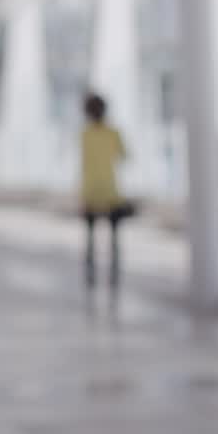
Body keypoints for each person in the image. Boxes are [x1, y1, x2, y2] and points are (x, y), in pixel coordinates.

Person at [79, 93, 133, 288]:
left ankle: (91, 273)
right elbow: (125, 156)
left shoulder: (85, 135)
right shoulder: (113, 133)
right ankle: (114, 274)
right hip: (111, 193)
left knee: (91, 236)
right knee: (114, 237)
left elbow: (84, 165)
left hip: (91, 192)